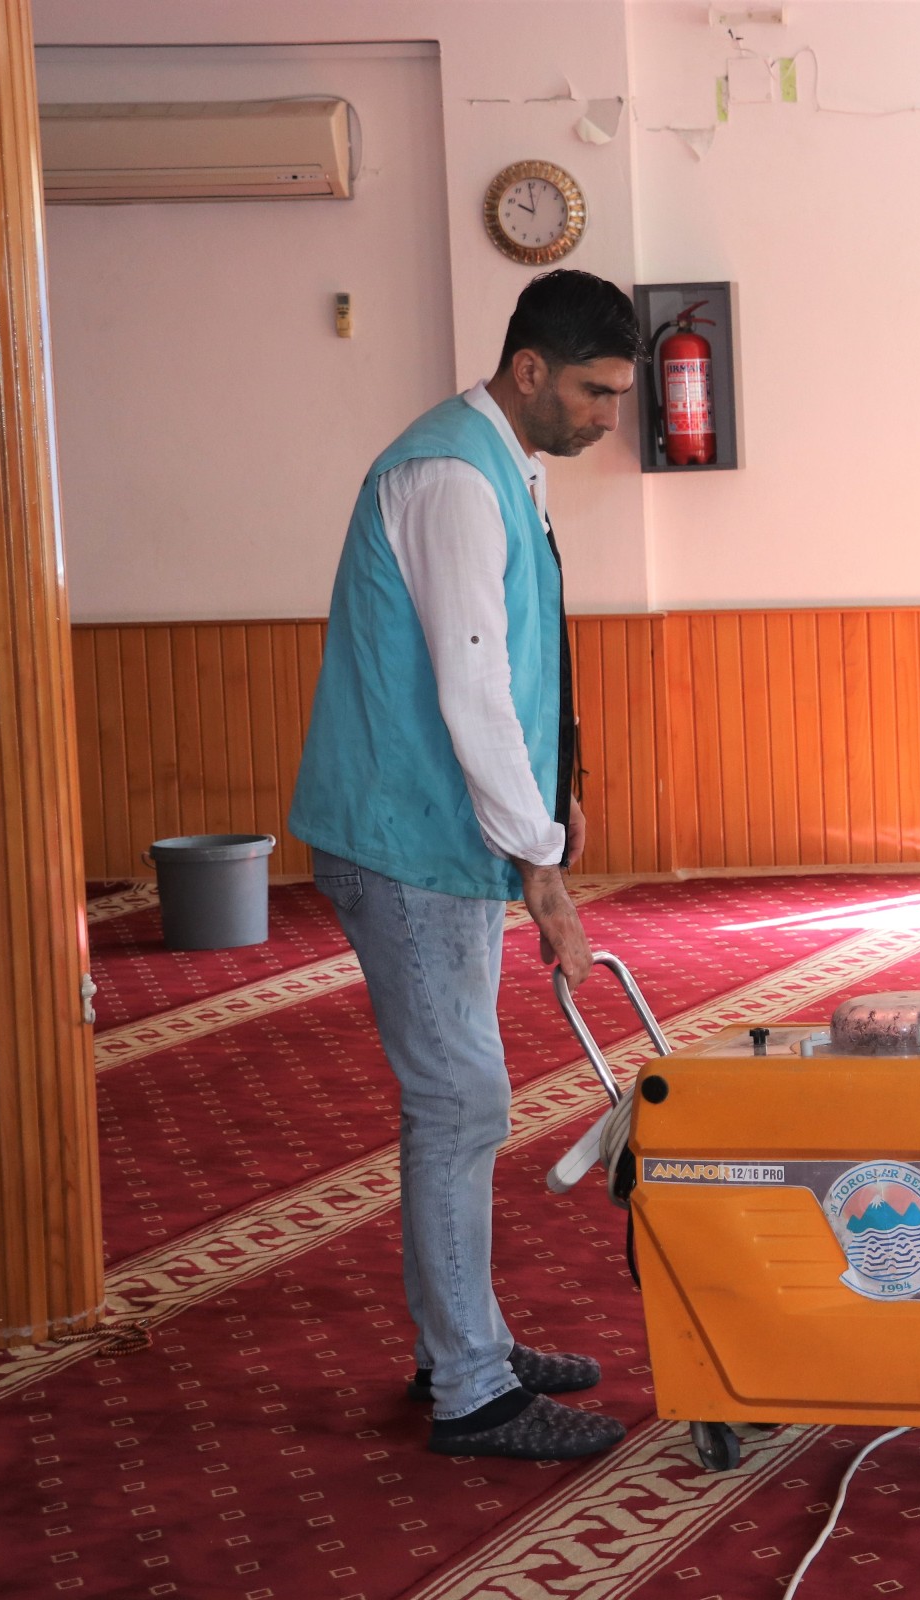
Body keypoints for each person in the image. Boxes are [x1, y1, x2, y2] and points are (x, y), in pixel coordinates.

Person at [288, 270, 639, 1460]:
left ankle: (458, 1340)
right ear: (529, 368)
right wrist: (538, 861)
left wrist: (559, 793)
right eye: (593, 390)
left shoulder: (506, 465)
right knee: (461, 1099)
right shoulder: (448, 475)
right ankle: (474, 1391)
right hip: (409, 837)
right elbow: (471, 686)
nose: (607, 416)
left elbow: (529, 653)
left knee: (456, 1095)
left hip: (445, 833)